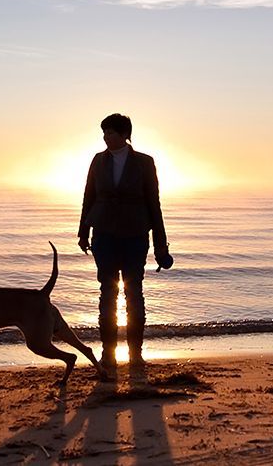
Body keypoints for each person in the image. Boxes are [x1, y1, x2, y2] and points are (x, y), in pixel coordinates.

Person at [78, 113, 173, 370]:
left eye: (110, 133)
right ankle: (108, 354)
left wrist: (161, 243)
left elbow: (154, 204)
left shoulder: (144, 163)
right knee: (107, 293)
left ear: (124, 135)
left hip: (135, 235)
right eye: (104, 133)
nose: (106, 137)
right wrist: (83, 231)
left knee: (134, 293)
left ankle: (135, 354)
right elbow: (89, 196)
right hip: (104, 235)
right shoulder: (98, 160)